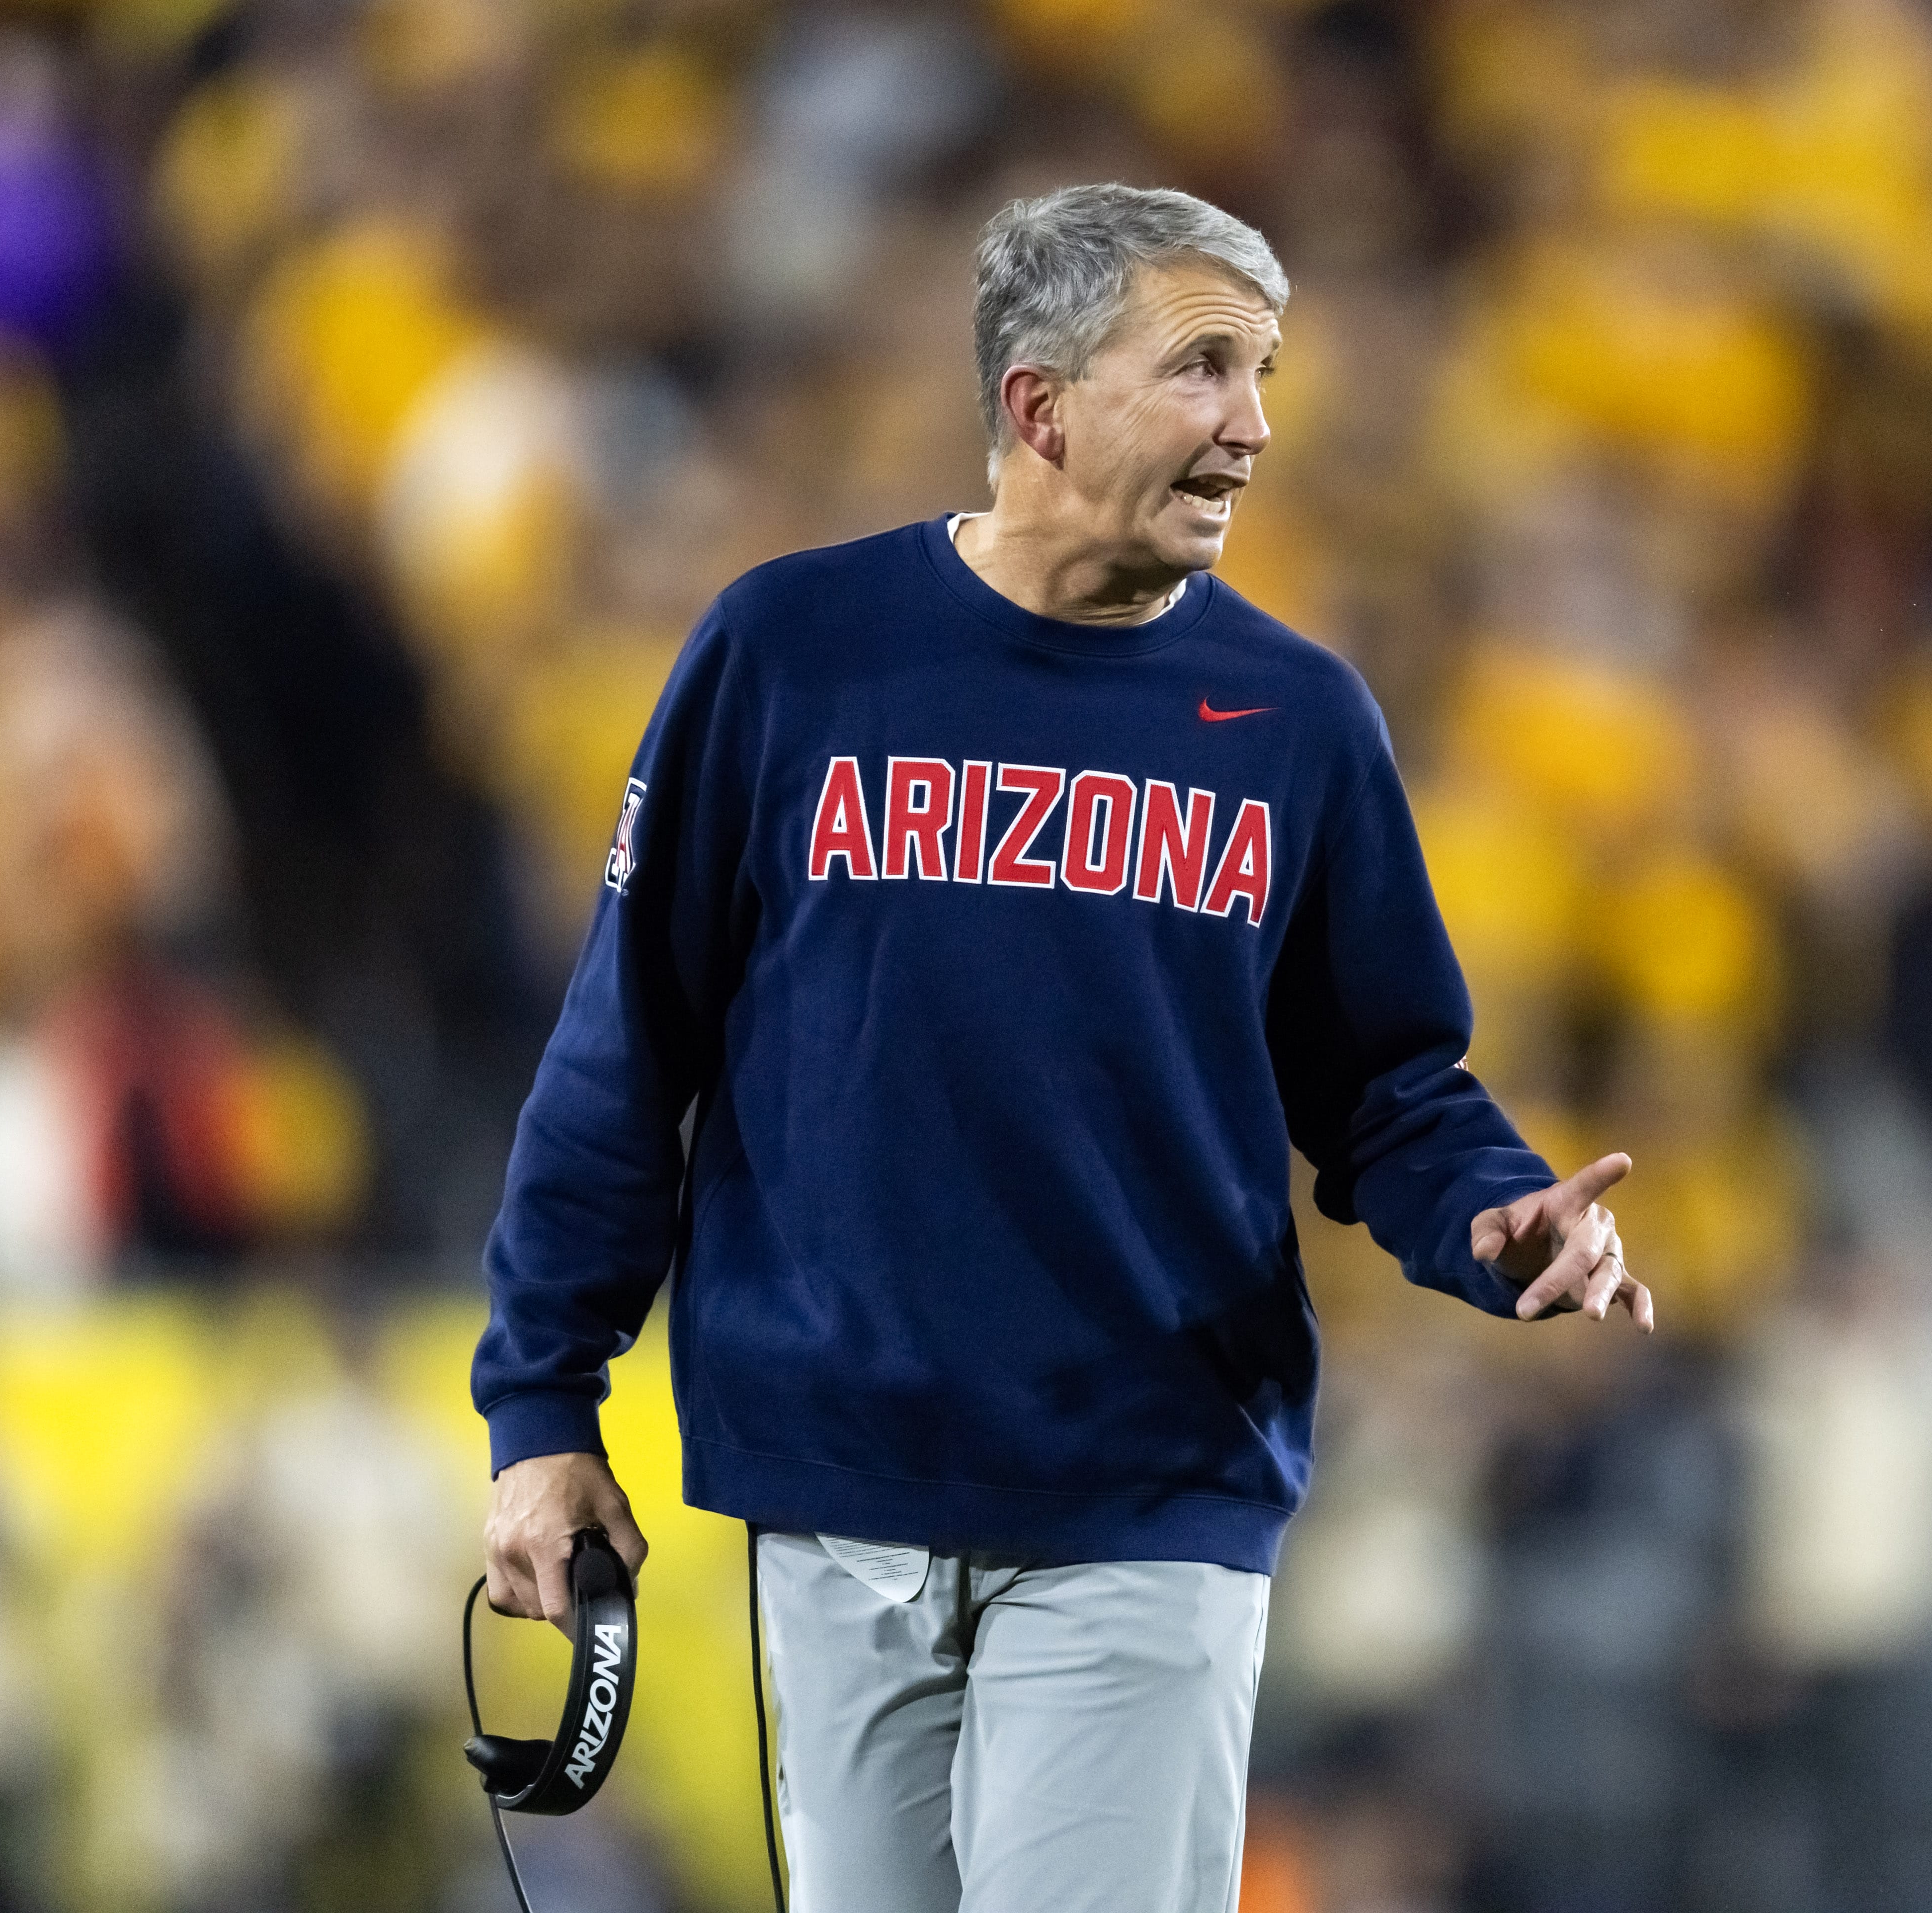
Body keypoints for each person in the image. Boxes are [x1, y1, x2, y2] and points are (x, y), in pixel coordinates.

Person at [471, 182, 1648, 1913]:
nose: (1256, 427)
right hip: (837, 1486)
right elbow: (629, 1048)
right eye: (1204, 371)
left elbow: (1388, 1081)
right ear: (1039, 407)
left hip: (1145, 1483)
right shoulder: (790, 654)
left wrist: (1494, 1213)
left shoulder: (1300, 719)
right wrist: (540, 1399)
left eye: (1262, 374)